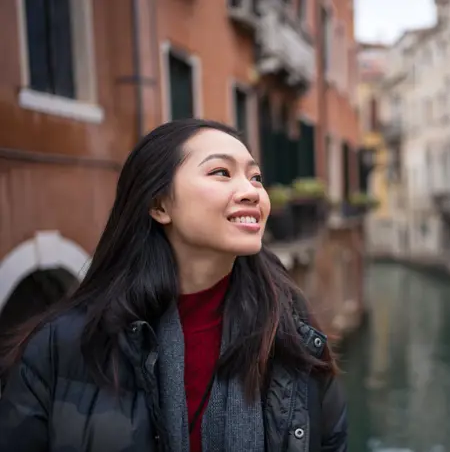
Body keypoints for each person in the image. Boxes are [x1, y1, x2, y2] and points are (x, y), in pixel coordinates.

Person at [0, 118, 347, 452]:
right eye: (221, 172)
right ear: (159, 205)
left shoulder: (291, 333)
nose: (251, 191)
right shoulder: (60, 346)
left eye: (255, 177)